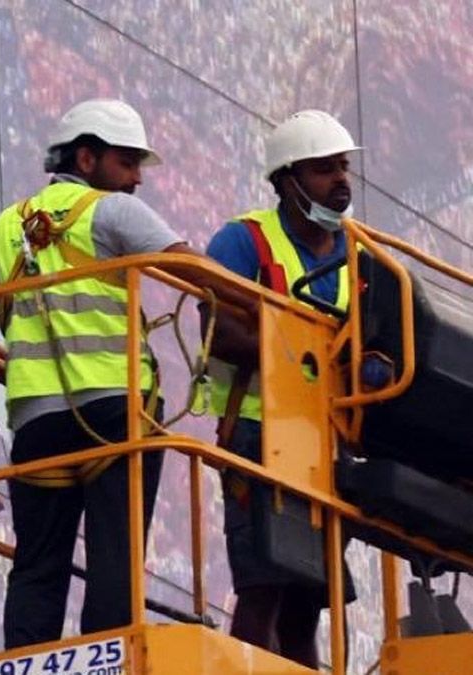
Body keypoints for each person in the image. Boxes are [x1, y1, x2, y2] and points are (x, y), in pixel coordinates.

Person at [0, 98, 206, 649]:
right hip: (116, 411)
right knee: (116, 551)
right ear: (86, 159)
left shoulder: (2, 230)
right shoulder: (111, 212)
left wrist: (3, 363)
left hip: (39, 422)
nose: (137, 177)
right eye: (128, 161)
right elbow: (192, 269)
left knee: (38, 560)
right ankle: (106, 659)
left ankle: (26, 659)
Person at [204, 109, 359, 668]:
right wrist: (306, 355)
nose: (340, 180)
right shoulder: (244, 241)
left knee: (307, 601)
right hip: (256, 434)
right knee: (264, 585)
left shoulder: (360, 255)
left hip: (325, 443)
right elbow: (216, 329)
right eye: (324, 169)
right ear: (286, 180)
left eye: (343, 167)